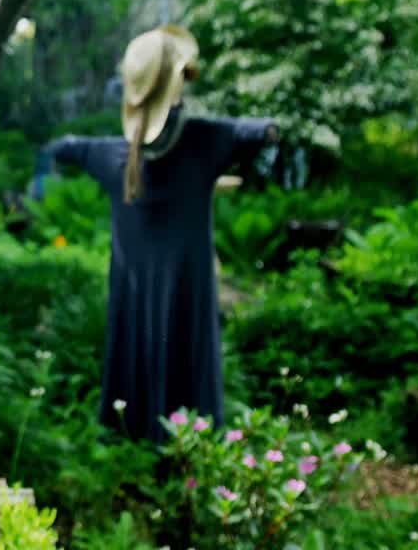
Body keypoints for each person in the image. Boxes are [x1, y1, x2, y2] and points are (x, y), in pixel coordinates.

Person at [32, 25, 277, 443]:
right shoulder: (203, 142)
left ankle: (135, 455)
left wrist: (39, 181)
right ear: (175, 85)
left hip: (139, 299)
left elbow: (60, 148)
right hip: (187, 296)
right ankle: (181, 463)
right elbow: (264, 131)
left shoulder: (113, 156)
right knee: (189, 385)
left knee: (136, 392)